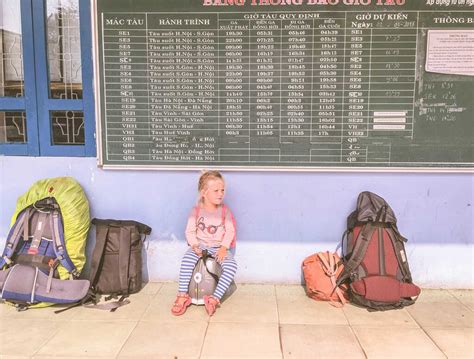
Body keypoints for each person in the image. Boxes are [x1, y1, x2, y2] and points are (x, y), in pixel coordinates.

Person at [171, 170, 238, 316]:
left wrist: (223, 248)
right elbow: (190, 231)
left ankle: (214, 298)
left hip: (218, 247)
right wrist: (194, 245)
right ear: (204, 192)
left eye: (222, 190)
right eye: (216, 191)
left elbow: (230, 231)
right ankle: (183, 295)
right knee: (187, 261)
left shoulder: (225, 211)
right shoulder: (196, 211)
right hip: (200, 246)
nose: (220, 194)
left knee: (231, 266)